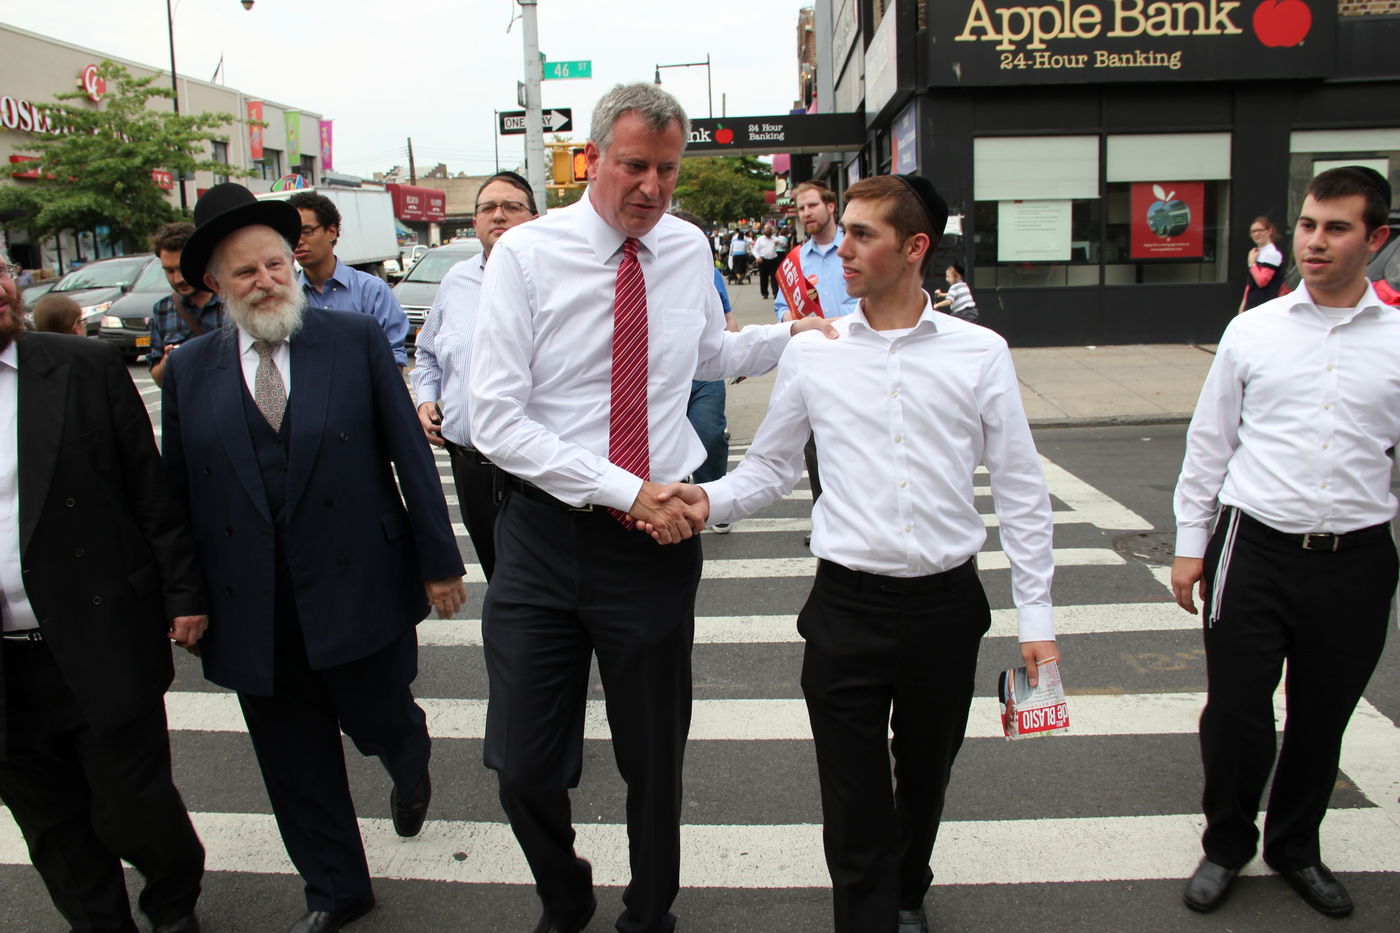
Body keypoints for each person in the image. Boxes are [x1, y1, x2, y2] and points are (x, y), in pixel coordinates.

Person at [467, 82, 835, 933]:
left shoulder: (684, 245)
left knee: (654, 759)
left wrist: (792, 336)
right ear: (590, 158)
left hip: (652, 550)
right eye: (634, 166)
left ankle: (649, 911)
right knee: (523, 764)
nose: (652, 187)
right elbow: (495, 420)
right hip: (545, 534)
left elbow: (704, 351)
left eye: (667, 170)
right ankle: (564, 894)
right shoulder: (526, 255)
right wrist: (623, 487)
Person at [648, 174, 1058, 933]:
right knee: (853, 795)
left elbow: (1021, 489)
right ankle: (868, 912)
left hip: (945, 606)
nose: (844, 250)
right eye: (845, 233)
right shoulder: (816, 352)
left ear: (915, 247)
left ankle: (908, 885)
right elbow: (772, 466)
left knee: (925, 776)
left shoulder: (979, 353)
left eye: (864, 235)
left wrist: (1037, 620)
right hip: (845, 607)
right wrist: (707, 500)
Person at [162, 183, 467, 933]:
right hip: (251, 605)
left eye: (276, 264)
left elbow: (410, 456)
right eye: (246, 272)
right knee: (292, 761)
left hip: (358, 582)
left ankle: (406, 749)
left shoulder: (351, 340)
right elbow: (177, 494)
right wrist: (184, 596)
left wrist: (440, 562)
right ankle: (336, 889)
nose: (266, 281)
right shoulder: (190, 370)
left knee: (378, 716)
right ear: (217, 286)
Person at [1171, 166, 1396, 920]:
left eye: (1336, 228)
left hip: (1358, 558)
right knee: (1237, 713)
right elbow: (1210, 443)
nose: (1314, 241)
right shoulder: (1254, 330)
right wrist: (1190, 543)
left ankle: (1296, 846)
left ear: (1376, 238)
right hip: (1254, 547)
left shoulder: (1397, 338)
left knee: (1322, 716)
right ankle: (1226, 844)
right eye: (1307, 225)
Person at [0, 252, 208, 933]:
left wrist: (183, 592)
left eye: (0, 271)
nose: (1, 288)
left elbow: (149, 489)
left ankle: (172, 901)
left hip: (98, 632)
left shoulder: (81, 367)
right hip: (7, 665)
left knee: (132, 803)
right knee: (50, 820)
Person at [410, 170, 538, 580]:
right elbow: (427, 353)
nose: (498, 215)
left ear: (533, 218)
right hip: (470, 466)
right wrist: (425, 400)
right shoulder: (456, 281)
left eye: (511, 206)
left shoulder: (554, 279)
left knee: (534, 585)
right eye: (488, 208)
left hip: (534, 471)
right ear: (475, 221)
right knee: (497, 575)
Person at [774, 180, 860, 534]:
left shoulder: (853, 249)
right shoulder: (794, 261)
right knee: (815, 446)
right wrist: (789, 318)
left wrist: (838, 321)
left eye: (812, 205)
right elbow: (781, 308)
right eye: (800, 208)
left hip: (858, 359)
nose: (806, 213)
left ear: (830, 206)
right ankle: (826, 521)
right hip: (818, 364)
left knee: (858, 442)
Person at [287, 190, 411, 367]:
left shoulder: (371, 291)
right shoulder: (287, 299)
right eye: (292, 234)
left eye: (306, 231)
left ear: (331, 232)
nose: (298, 241)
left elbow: (394, 358)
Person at [674, 209, 739, 532]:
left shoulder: (708, 272)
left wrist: (737, 355)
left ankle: (713, 498)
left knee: (709, 433)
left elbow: (726, 316)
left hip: (705, 377)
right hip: (667, 380)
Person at [147, 222, 226, 386]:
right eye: (169, 271)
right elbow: (158, 379)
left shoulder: (233, 303)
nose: (178, 279)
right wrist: (168, 360)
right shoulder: (162, 310)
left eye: (182, 268)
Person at [1238, 215, 1286, 313]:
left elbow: (1262, 281)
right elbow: (1250, 283)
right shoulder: (1256, 252)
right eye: (1253, 231)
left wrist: (1252, 264)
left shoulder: (1272, 253)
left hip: (1265, 305)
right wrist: (1244, 303)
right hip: (1252, 305)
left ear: (1269, 231)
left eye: (1260, 230)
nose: (1256, 234)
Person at [753, 223, 779, 299]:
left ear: (771, 231)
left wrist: (778, 242)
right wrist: (758, 257)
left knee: (774, 278)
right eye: (766, 229)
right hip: (763, 260)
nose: (767, 231)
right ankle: (764, 293)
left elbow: (782, 242)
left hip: (773, 260)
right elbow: (754, 250)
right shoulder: (760, 240)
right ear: (764, 230)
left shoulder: (775, 239)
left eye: (769, 229)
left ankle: (775, 293)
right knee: (764, 278)